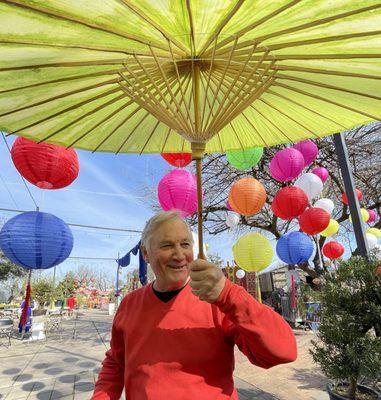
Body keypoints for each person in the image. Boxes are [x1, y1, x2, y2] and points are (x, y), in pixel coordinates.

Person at [92, 211, 297, 400]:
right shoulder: (129, 304)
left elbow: (283, 352)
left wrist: (229, 294)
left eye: (185, 244)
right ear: (145, 253)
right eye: (167, 245)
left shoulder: (219, 301)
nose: (179, 255)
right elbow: (116, 362)